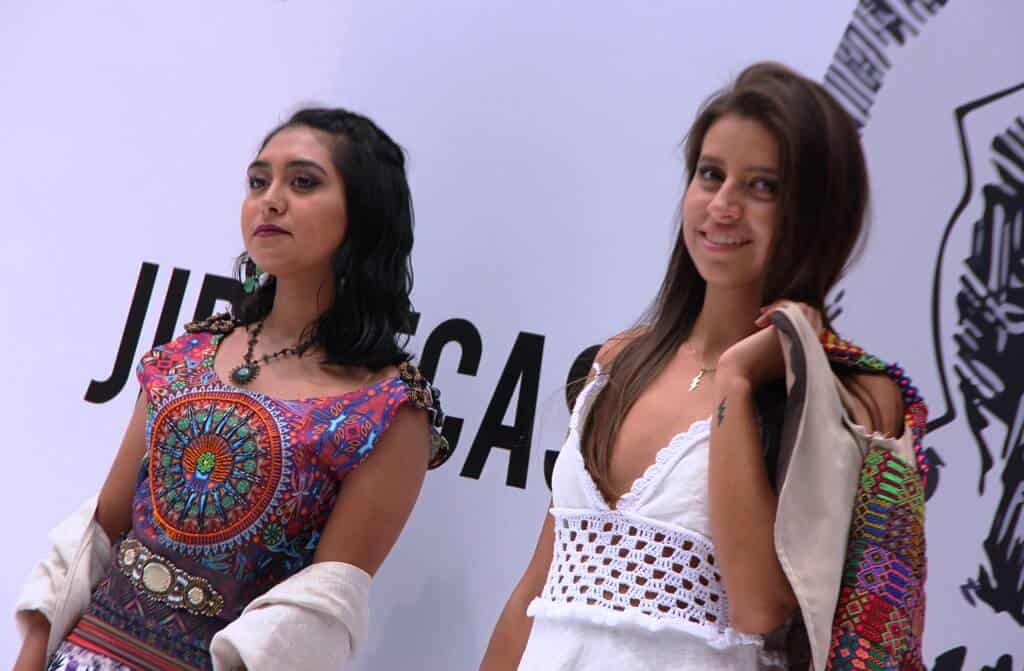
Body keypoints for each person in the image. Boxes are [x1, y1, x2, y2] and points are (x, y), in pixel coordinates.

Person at [481, 62, 928, 670]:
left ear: (818, 214)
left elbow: (758, 607)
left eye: (762, 187)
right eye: (711, 174)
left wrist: (737, 385)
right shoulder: (620, 360)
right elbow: (536, 592)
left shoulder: (854, 398)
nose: (723, 206)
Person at [14, 108, 450, 671]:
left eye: (303, 182)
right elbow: (95, 536)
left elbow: (315, 615)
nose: (270, 200)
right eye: (258, 182)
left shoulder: (388, 410)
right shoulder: (186, 355)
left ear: (364, 213)